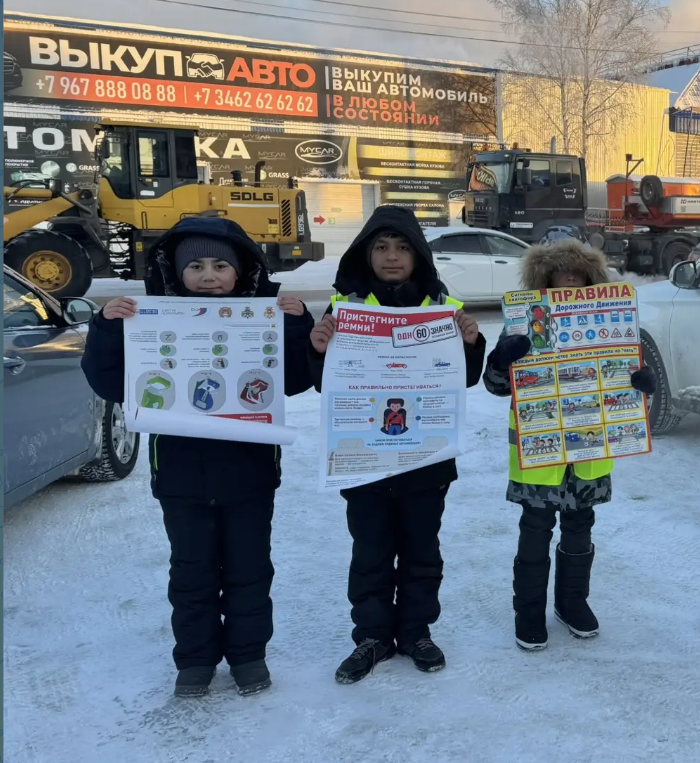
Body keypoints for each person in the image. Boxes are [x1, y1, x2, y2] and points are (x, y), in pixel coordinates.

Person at [81, 217, 315, 698]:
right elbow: (108, 383)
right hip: (181, 477)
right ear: (177, 273)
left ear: (242, 271)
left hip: (249, 476)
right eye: (196, 266)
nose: (208, 276)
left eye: (221, 265)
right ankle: (194, 662)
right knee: (192, 573)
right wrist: (105, 329)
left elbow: (292, 381)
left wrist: (295, 326)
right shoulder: (151, 321)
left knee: (250, 570)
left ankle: (249, 657)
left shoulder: (261, 315)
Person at [307, 206, 487, 683]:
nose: (392, 257)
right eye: (381, 247)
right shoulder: (345, 306)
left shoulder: (439, 305)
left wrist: (471, 342)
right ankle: (371, 637)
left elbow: (463, 380)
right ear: (366, 253)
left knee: (421, 550)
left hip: (425, 461)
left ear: (418, 256)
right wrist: (318, 348)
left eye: (403, 247)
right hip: (363, 461)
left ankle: (415, 632)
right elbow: (325, 384)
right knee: (369, 552)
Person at [483, 238, 657, 651]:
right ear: (544, 281)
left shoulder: (611, 328)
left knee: (580, 530)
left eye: (578, 279)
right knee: (534, 532)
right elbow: (494, 386)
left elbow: (625, 382)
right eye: (561, 277)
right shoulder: (522, 325)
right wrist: (500, 360)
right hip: (538, 457)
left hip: (589, 456)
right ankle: (528, 612)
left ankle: (572, 603)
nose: (569, 284)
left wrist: (640, 384)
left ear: (591, 284)